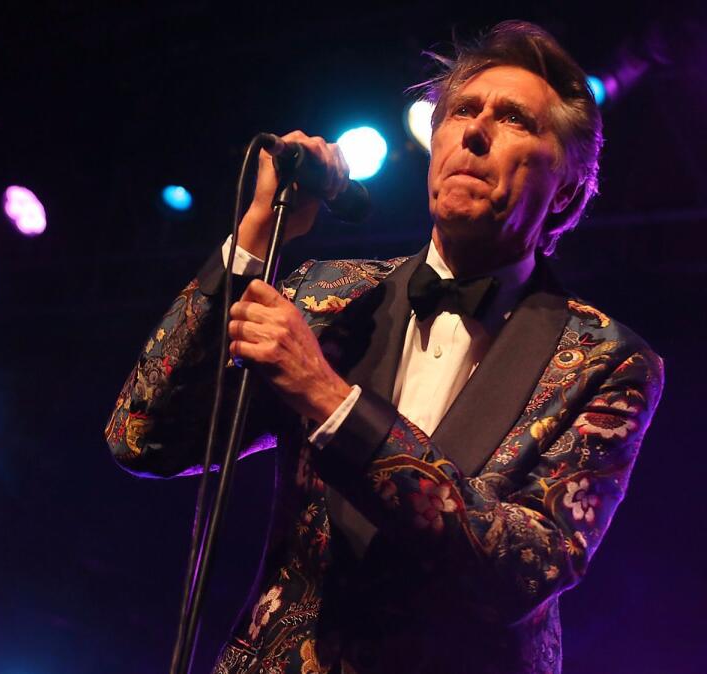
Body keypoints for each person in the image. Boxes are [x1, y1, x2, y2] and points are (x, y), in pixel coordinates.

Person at [104, 20, 664, 674]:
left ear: (566, 189)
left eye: (513, 120)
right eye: (461, 111)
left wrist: (331, 401)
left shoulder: (607, 361)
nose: (473, 131)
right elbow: (142, 437)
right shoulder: (328, 295)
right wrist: (258, 237)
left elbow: (523, 569)